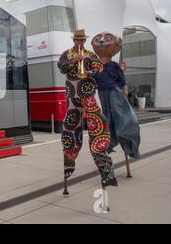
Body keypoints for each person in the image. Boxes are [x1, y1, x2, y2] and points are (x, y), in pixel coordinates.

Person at [57, 29, 118, 194]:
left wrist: (87, 69)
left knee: (97, 123)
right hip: (72, 92)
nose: (79, 43)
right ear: (74, 40)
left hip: (88, 91)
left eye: (81, 40)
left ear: (84, 41)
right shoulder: (66, 54)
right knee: (70, 127)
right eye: (77, 40)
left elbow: (99, 70)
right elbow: (61, 67)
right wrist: (72, 62)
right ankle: (69, 161)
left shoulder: (90, 54)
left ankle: (105, 167)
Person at [92, 32, 141, 177]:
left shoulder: (113, 65)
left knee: (119, 112)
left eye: (107, 39)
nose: (102, 41)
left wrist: (124, 87)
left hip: (114, 90)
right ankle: (111, 137)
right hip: (102, 92)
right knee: (107, 117)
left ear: (117, 45)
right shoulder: (96, 66)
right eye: (98, 39)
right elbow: (93, 78)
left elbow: (122, 78)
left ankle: (126, 135)